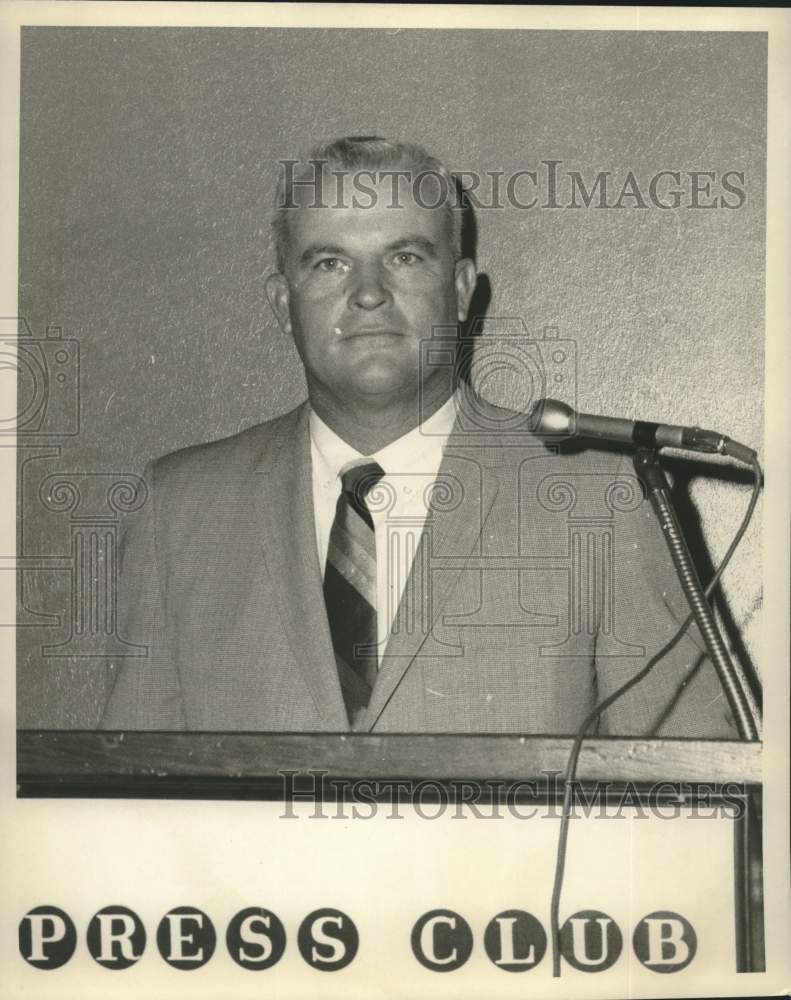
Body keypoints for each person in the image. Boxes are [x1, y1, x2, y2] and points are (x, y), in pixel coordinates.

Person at [100, 136, 737, 737]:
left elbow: (696, 791)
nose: (370, 294)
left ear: (461, 291)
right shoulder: (178, 508)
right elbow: (131, 796)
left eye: (404, 258)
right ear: (281, 303)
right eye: (329, 263)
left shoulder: (601, 493)